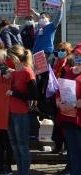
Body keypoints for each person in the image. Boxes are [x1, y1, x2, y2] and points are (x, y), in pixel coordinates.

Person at [5, 45, 38, 175]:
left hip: (21, 114)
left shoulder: (27, 72)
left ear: (15, 56)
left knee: (22, 146)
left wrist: (13, 93)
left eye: (9, 56)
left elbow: (34, 95)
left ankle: (24, 172)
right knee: (15, 146)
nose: (8, 59)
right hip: (10, 113)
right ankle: (20, 172)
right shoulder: (14, 72)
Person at [55, 43, 81, 175]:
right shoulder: (69, 71)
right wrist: (59, 102)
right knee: (73, 151)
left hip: (79, 119)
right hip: (66, 117)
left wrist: (74, 105)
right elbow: (60, 89)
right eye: (76, 55)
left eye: (80, 55)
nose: (77, 57)